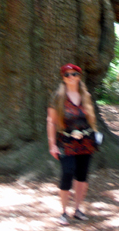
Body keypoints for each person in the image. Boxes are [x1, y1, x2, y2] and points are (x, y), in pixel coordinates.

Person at [47, 64, 98, 225]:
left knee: (82, 176)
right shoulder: (58, 97)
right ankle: (63, 212)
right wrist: (52, 145)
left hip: (86, 141)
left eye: (74, 74)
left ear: (79, 77)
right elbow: (51, 121)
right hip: (66, 142)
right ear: (63, 78)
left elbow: (91, 118)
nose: (71, 77)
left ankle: (78, 209)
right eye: (67, 75)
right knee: (67, 172)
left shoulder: (86, 96)